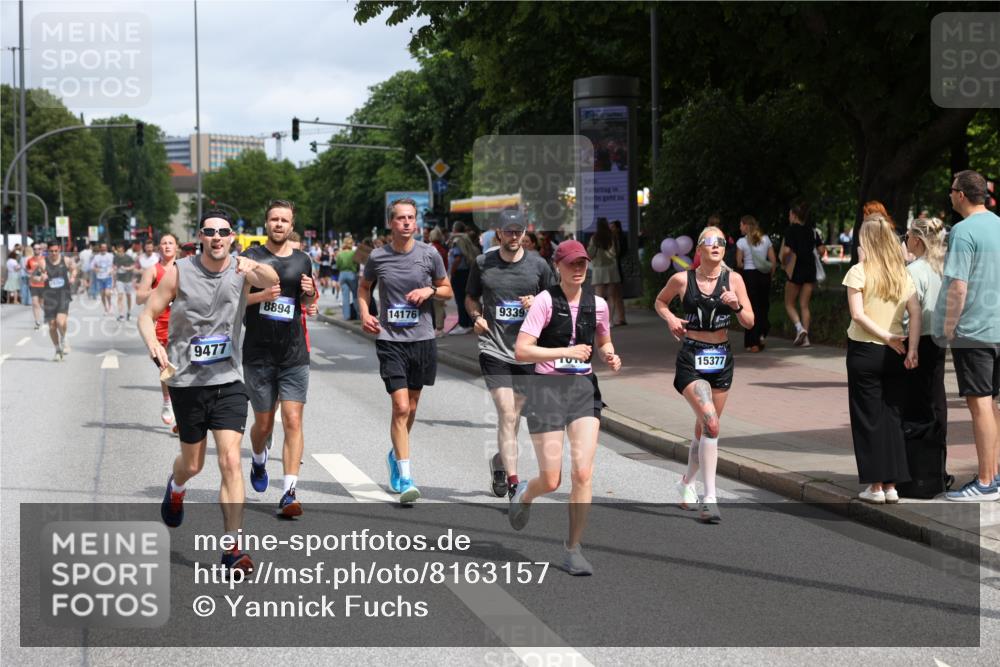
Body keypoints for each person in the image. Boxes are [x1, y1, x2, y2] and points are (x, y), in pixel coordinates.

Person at [139, 210, 279, 571]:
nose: (217, 237)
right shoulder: (179, 272)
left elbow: (272, 278)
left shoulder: (240, 269)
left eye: (224, 232)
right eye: (210, 232)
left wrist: (252, 266)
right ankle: (177, 487)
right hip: (187, 381)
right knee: (194, 464)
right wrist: (153, 343)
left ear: (233, 236)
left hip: (229, 380)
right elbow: (147, 314)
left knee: (231, 461)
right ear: (200, 236)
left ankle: (232, 548)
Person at [509, 240, 621, 575]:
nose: (578, 268)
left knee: (583, 472)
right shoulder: (545, 302)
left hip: (583, 390)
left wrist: (609, 354)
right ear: (558, 266)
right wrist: (564, 353)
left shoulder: (598, 304)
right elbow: (522, 350)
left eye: (583, 263)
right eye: (571, 263)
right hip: (547, 391)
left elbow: (603, 338)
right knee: (551, 479)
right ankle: (526, 495)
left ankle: (573, 549)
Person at [654, 226, 755, 523]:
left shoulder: (734, 279)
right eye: (709, 241)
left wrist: (736, 305)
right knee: (711, 422)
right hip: (692, 357)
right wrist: (671, 317)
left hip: (722, 357)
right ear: (698, 249)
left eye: (721, 242)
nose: (715, 246)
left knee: (706, 429)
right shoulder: (681, 279)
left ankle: (686, 482)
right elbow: (660, 302)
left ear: (724, 249)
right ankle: (710, 498)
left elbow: (750, 322)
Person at [358, 198, 453, 504]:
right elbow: (364, 287)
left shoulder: (429, 254)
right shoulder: (378, 256)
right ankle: (406, 475)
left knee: (412, 407)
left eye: (411, 217)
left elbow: (448, 288)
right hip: (390, 340)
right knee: (400, 407)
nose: (407, 223)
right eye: (401, 218)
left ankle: (395, 454)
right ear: (391, 223)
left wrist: (430, 290)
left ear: (416, 222)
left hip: (422, 339)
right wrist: (364, 312)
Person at [465, 217, 554, 498]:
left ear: (525, 233)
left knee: (514, 417)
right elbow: (470, 298)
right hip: (493, 348)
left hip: (527, 351)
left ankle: (500, 463)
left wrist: (538, 302)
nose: (514, 236)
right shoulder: (482, 263)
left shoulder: (539, 265)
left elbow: (555, 300)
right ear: (499, 233)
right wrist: (476, 317)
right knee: (506, 412)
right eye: (509, 231)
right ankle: (515, 482)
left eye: (519, 231)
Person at [241, 200, 318, 517]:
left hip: (293, 354)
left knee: (293, 420)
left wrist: (311, 292)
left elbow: (307, 301)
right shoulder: (251, 258)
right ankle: (258, 459)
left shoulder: (303, 260)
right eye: (273, 219)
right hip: (258, 353)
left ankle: (288, 492)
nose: (278, 224)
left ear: (291, 224)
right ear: (266, 223)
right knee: (262, 424)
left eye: (284, 220)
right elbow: (234, 300)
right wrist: (262, 296)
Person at [843, 215, 920, 503]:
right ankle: (892, 485)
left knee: (868, 418)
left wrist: (885, 336)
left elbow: (858, 315)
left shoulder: (858, 272)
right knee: (892, 417)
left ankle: (875, 486)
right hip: (897, 351)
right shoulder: (902, 273)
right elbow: (916, 313)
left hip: (865, 350)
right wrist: (910, 347)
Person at [940, 170, 1000, 501]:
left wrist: (948, 328)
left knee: (980, 406)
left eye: (951, 191)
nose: (949, 196)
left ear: (962, 194)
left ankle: (986, 481)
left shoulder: (962, 233)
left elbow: (958, 288)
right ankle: (996, 475)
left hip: (975, 332)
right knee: (995, 406)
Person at [902, 217, 948, 440]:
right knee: (937, 398)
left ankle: (920, 464)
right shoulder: (941, 267)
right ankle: (937, 464)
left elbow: (909, 311)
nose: (906, 239)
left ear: (918, 240)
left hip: (917, 338)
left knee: (917, 401)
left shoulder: (914, 270)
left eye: (908, 236)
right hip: (939, 336)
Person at [137, 234, 180, 427]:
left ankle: (182, 411)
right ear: (158, 248)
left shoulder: (185, 268)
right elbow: (139, 297)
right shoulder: (152, 270)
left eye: (171, 243)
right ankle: (167, 401)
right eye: (164, 243)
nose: (167, 246)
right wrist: (162, 291)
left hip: (183, 323)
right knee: (167, 366)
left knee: (184, 369)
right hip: (161, 324)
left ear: (176, 247)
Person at [780, 203, 823, 347]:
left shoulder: (790, 230)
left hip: (795, 268)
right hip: (810, 268)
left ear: (793, 215)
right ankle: (806, 339)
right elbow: (822, 250)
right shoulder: (812, 231)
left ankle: (800, 329)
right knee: (804, 305)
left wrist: (785, 262)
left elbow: (786, 251)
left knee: (789, 303)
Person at [735, 215, 776, 352]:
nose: (740, 227)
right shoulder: (765, 239)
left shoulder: (741, 242)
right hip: (764, 276)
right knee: (763, 307)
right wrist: (770, 275)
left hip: (749, 276)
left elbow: (739, 263)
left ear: (746, 225)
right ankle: (761, 335)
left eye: (741, 225)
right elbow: (773, 261)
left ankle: (752, 342)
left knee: (750, 308)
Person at [39, 240, 76, 360]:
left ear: (59, 249)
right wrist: (41, 277)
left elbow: (74, 269)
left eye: (56, 251)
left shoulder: (65, 260)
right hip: (49, 296)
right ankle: (57, 349)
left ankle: (64, 339)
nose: (54, 253)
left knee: (60, 322)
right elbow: (35, 276)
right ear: (47, 251)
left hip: (63, 294)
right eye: (51, 251)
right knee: (52, 325)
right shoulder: (43, 262)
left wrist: (73, 277)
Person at [587, 218, 626, 327]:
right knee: (612, 296)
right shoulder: (612, 237)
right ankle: (610, 321)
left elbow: (590, 253)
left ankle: (600, 321)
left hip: (599, 269)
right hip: (612, 268)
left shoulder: (594, 238)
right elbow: (616, 252)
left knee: (599, 297)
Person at [447, 221, 478, 334]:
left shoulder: (456, 240)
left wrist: (451, 272)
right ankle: (470, 323)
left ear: (455, 229)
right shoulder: (466, 238)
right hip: (468, 271)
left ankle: (463, 324)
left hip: (460, 273)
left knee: (460, 299)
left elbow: (458, 257)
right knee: (468, 298)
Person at [427, 227, 449, 336]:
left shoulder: (430, 249)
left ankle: (439, 329)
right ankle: (439, 325)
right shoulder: (443, 249)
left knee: (437, 305)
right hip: (443, 278)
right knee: (440, 304)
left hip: (433, 279)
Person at [112, 241, 137, 321]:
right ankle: (121, 314)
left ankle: (129, 312)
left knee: (128, 296)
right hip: (119, 279)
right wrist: (114, 270)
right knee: (120, 296)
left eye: (120, 249)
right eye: (118, 249)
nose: (119, 251)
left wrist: (127, 268)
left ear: (123, 249)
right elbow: (114, 266)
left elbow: (133, 266)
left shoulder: (128, 257)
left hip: (128, 279)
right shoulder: (115, 257)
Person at [335, 237, 359, 320]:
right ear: (351, 244)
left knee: (345, 297)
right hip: (351, 274)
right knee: (356, 295)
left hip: (342, 274)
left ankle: (346, 316)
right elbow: (357, 264)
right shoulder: (353, 253)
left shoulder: (340, 254)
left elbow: (337, 265)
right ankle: (358, 315)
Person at [25, 242, 47, 328]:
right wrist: (29, 273)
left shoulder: (45, 259)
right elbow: (27, 269)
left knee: (42, 304)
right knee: (35, 303)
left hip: (43, 285)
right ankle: (37, 322)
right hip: (33, 284)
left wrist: (44, 275)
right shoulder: (30, 260)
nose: (36, 250)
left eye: (38, 249)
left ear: (41, 250)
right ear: (33, 250)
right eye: (35, 249)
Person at [91, 242, 115, 315]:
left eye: (105, 247)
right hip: (99, 277)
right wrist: (96, 269)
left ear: (106, 248)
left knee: (107, 293)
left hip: (108, 277)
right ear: (100, 248)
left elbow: (115, 264)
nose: (104, 249)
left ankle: (110, 305)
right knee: (102, 294)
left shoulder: (110, 256)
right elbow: (92, 266)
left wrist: (112, 270)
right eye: (102, 247)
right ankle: (105, 308)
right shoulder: (96, 257)